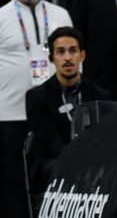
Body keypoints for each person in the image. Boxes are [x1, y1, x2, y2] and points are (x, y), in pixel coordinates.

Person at [0, 0, 72, 218]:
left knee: (56, 177)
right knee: (12, 183)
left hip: (53, 111)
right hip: (9, 111)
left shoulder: (59, 14)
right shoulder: (1, 16)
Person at [25, 27, 110, 195]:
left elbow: (103, 138)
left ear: (82, 55)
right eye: (60, 52)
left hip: (91, 162)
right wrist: (74, 160)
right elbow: (47, 142)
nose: (67, 58)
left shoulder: (100, 95)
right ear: (52, 58)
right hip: (54, 164)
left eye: (73, 50)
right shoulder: (36, 97)